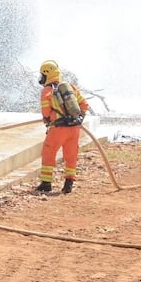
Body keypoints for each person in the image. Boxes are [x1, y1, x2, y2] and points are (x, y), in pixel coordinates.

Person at [37, 59, 91, 193]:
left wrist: (48, 120)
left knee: (49, 152)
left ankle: (46, 183)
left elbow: (46, 113)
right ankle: (69, 183)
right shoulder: (71, 87)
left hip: (58, 129)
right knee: (71, 155)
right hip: (74, 129)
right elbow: (84, 105)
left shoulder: (47, 91)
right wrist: (78, 119)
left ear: (46, 75)